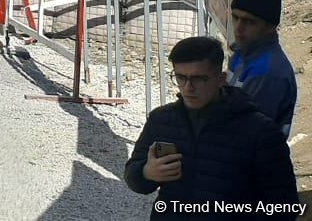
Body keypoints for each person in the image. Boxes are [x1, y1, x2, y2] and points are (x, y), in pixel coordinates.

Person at [124, 36, 299, 219]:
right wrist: (146, 173)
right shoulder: (160, 120)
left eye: (199, 79)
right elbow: (133, 176)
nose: (188, 88)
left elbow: (285, 206)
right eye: (180, 77)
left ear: (221, 78)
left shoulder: (260, 132)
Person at [228, 0, 297, 137]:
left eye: (248, 21)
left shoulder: (269, 72)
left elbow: (245, 131)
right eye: (235, 17)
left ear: (270, 27)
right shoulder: (241, 52)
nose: (238, 28)